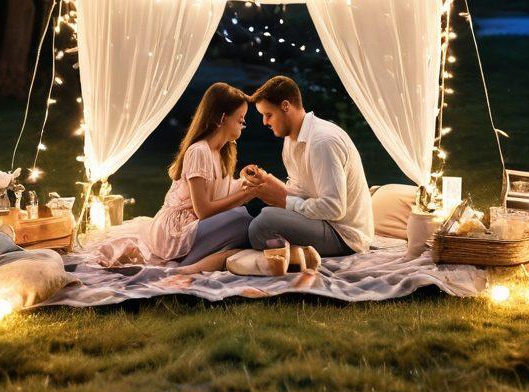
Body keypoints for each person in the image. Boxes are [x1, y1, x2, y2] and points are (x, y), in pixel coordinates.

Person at [242, 75, 373, 258]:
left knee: (263, 224)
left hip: (344, 235)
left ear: (286, 106)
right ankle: (296, 253)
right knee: (257, 218)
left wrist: (284, 202)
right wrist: (267, 183)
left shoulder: (322, 141)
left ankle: (292, 253)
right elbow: (300, 191)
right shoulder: (290, 140)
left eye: (268, 114)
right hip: (321, 222)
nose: (265, 122)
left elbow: (333, 208)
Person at [148, 82, 261, 271]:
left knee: (249, 222)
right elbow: (204, 210)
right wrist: (246, 194)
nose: (243, 124)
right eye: (240, 119)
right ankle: (189, 264)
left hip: (199, 225)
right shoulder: (199, 151)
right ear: (222, 118)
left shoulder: (223, 151)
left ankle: (211, 257)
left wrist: (245, 181)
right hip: (177, 230)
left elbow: (220, 193)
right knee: (244, 220)